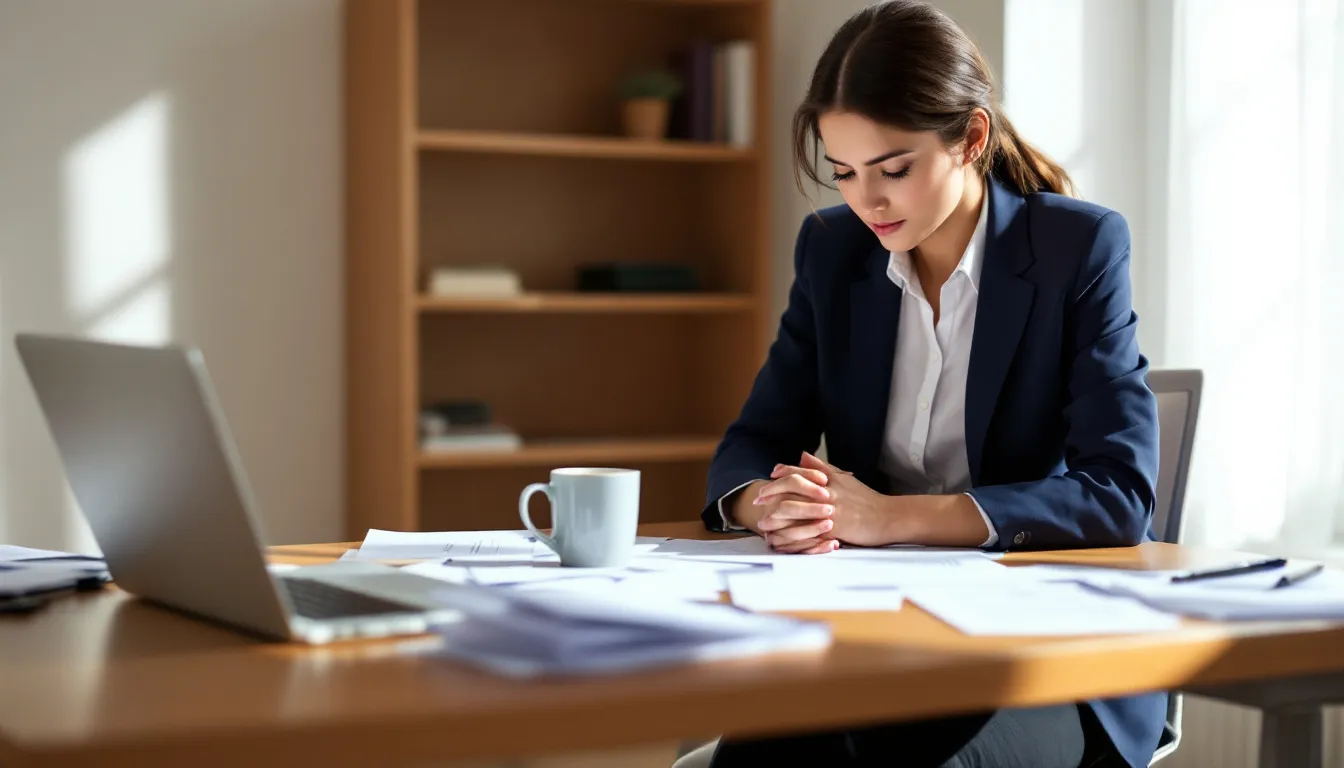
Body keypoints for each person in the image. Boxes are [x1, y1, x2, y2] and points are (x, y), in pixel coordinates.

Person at [701, 1, 1164, 766]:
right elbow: (754, 440)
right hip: (879, 638)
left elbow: (1117, 495)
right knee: (758, 753)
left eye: (894, 169)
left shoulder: (1075, 249)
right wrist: (766, 502)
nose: (866, 200)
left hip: (1048, 659)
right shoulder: (832, 252)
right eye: (843, 172)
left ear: (971, 138)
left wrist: (894, 518)